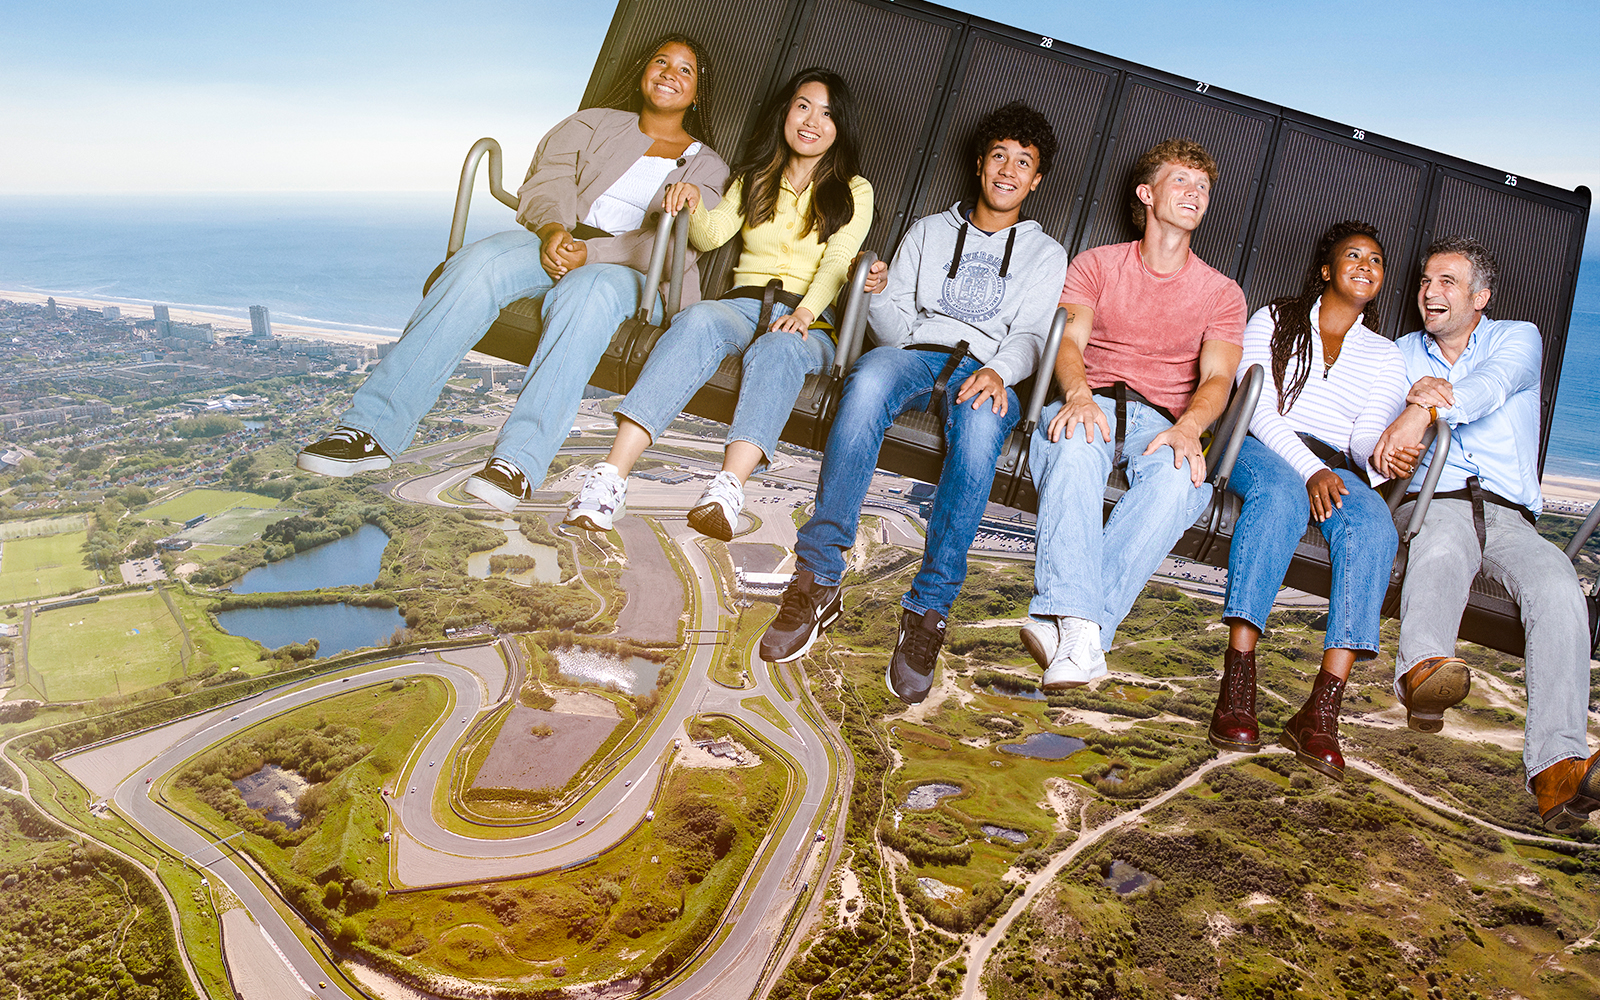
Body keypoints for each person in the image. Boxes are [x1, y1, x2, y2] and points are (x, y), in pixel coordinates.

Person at [296, 35, 729, 513]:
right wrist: (552, 230)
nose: (670, 73)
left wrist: (593, 253)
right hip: (556, 237)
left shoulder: (707, 165)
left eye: (685, 70)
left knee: (585, 296)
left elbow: (672, 239)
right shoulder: (591, 124)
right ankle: (372, 431)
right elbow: (551, 179)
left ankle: (518, 462)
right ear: (642, 71)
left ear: (698, 92)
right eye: (661, 62)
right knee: (477, 263)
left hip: (627, 269)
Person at [759, 102, 1068, 704]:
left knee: (981, 434)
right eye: (999, 156)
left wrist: (1003, 373)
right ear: (980, 164)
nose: (1007, 170)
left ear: (1035, 181)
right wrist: (871, 295)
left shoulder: (1045, 253)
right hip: (916, 350)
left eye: (1023, 164)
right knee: (867, 384)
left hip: (985, 367)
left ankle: (928, 610)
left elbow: (1032, 335)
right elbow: (894, 327)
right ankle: (820, 575)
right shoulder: (929, 231)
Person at [564, 68, 872, 540]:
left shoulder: (854, 190)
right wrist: (691, 202)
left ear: (840, 127)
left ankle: (726, 490)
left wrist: (805, 313)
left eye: (827, 114)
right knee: (698, 319)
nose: (812, 121)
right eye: (803, 106)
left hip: (811, 321)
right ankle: (609, 478)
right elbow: (711, 236)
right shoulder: (754, 178)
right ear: (786, 113)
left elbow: (837, 260)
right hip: (743, 303)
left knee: (778, 348)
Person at [1372, 236, 1599, 831]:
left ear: (1481, 296)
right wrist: (1389, 448)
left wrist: (1423, 408)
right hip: (1433, 497)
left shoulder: (1518, 338)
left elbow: (1491, 387)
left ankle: (1558, 766)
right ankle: (1423, 673)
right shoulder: (1397, 354)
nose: (1429, 292)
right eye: (1425, 281)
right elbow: (1380, 440)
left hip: (1508, 515)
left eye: (1447, 281)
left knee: (1558, 589)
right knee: (1441, 545)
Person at [1021, 138, 1246, 690]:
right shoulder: (1097, 264)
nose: (1195, 194)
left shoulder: (1222, 293)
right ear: (1147, 194)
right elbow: (1069, 343)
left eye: (1204, 188)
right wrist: (1076, 395)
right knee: (1074, 450)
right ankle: (1087, 638)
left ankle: (1072, 630)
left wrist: (1190, 428)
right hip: (1090, 397)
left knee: (1178, 482)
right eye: (1182, 182)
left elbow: (1218, 378)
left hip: (1161, 418)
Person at [1205, 221, 1410, 780]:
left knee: (1374, 529)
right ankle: (1238, 684)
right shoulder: (1274, 320)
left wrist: (1383, 456)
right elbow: (1258, 408)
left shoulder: (1386, 355)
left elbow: (1365, 436)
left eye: (1375, 258)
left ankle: (1320, 712)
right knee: (1279, 498)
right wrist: (1311, 469)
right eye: (1353, 255)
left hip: (1335, 466)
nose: (1366, 264)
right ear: (1326, 270)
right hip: (1259, 445)